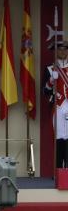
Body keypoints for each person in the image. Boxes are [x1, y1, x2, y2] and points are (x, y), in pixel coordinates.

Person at [43, 40, 68, 168]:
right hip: (57, 106)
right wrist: (51, 80)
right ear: (56, 51)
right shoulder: (49, 69)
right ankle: (59, 171)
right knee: (59, 138)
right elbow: (45, 91)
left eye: (65, 49)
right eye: (60, 49)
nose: (63, 51)